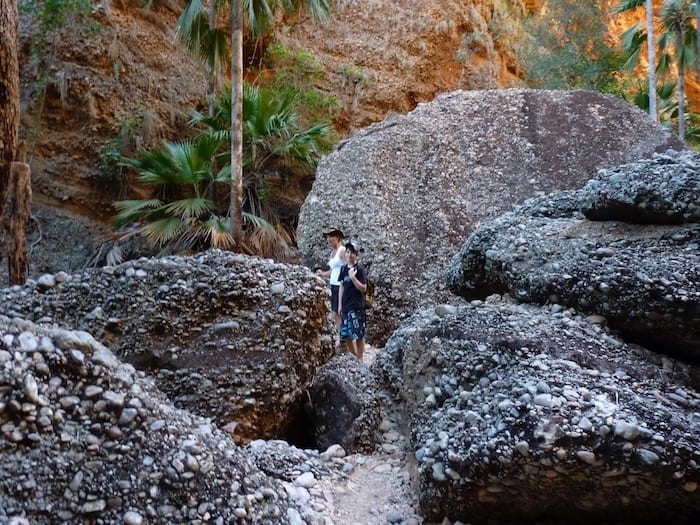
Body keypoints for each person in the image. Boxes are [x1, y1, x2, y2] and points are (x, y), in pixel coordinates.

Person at [338, 241, 367, 361]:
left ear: (357, 255)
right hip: (345, 305)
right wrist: (339, 304)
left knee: (358, 334)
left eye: (352, 253)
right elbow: (342, 286)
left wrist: (353, 277)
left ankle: (360, 358)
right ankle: (355, 356)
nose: (350, 255)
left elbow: (363, 288)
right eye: (348, 252)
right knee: (345, 334)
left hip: (357, 306)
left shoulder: (359, 270)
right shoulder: (343, 269)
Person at [315, 227, 346, 326]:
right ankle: (340, 335)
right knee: (335, 312)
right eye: (328, 237)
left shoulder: (342, 250)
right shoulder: (333, 253)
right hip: (333, 285)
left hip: (341, 285)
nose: (329, 239)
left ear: (337, 237)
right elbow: (333, 270)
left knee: (340, 312)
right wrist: (323, 274)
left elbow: (347, 267)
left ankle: (344, 336)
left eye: (331, 236)